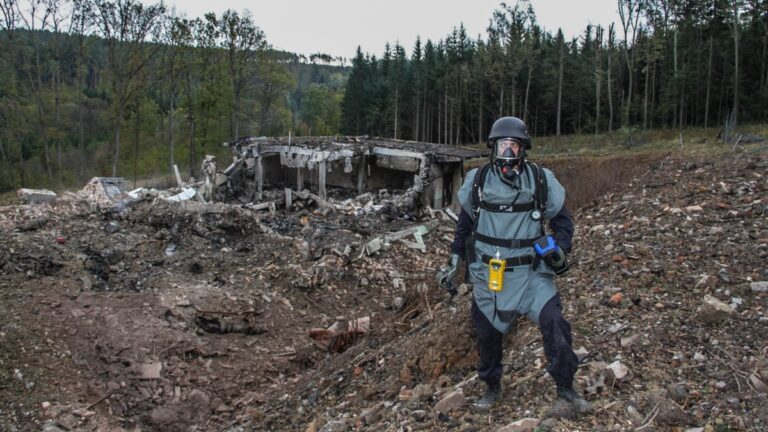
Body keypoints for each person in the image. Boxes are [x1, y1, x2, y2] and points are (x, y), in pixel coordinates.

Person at [436, 116, 590, 414]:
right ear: (493, 148)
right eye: (502, 145)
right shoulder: (478, 182)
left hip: (531, 275)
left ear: (524, 149)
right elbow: (464, 228)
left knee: (555, 322)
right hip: (490, 275)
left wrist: (560, 248)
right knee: (487, 333)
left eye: (514, 146)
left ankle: (566, 388)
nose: (508, 152)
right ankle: (491, 386)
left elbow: (564, 223)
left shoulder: (541, 181)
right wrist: (455, 260)